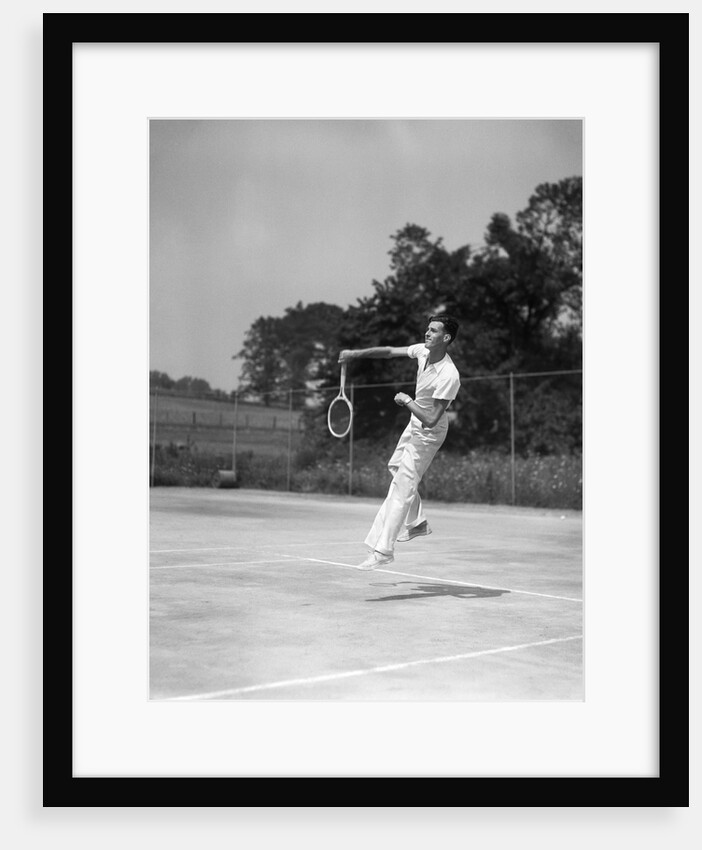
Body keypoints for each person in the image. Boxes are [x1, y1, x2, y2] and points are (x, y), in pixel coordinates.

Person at [338, 314, 461, 570]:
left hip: (430, 432)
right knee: (395, 468)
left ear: (446, 338)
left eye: (433, 330)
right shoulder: (422, 352)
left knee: (403, 486)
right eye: (427, 328)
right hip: (415, 422)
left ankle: (383, 551)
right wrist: (355, 354)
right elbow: (389, 352)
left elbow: (430, 419)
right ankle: (417, 522)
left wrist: (407, 401)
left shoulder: (450, 375)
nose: (426, 333)